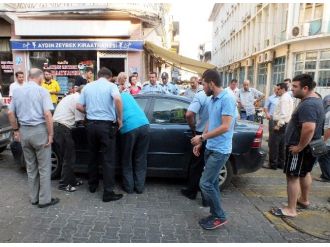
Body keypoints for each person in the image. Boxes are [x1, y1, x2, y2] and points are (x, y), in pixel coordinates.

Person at [271, 74, 325, 218]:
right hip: (311, 145)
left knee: (292, 176)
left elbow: (309, 128)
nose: (291, 89)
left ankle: (291, 209)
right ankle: (304, 200)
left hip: (300, 148)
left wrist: (299, 147)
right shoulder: (316, 99)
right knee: (304, 173)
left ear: (305, 88)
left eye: (295, 86)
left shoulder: (308, 104)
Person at [191, 69, 236, 230]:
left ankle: (220, 216)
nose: (202, 87)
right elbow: (211, 121)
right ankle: (215, 214)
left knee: (205, 183)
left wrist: (202, 137)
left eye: (203, 84)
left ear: (211, 83)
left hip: (220, 150)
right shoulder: (212, 100)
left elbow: (225, 126)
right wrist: (201, 142)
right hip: (210, 147)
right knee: (213, 183)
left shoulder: (227, 99)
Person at [8, 68, 59, 208]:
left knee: (31, 168)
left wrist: (16, 130)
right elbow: (47, 114)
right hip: (39, 131)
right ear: (40, 77)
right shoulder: (42, 91)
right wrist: (51, 134)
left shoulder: (17, 91)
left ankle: (33, 198)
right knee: (44, 167)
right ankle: (44, 200)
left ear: (28, 76)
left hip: (24, 131)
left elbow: (10, 113)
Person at [76, 67, 123, 202]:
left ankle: (92, 185)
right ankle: (108, 192)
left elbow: (78, 106)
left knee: (92, 156)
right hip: (106, 126)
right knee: (108, 159)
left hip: (90, 125)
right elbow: (118, 100)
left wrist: (90, 111)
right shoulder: (111, 86)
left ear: (98, 76)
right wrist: (119, 118)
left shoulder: (88, 87)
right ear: (109, 77)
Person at [53, 85, 85, 192]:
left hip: (59, 127)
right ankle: (63, 184)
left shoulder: (72, 97)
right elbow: (81, 120)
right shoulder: (78, 100)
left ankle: (72, 180)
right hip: (63, 128)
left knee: (68, 156)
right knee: (69, 158)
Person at [181, 90, 210, 204]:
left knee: (196, 165)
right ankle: (206, 198)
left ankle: (191, 192)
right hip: (215, 134)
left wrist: (193, 128)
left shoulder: (201, 95)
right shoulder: (221, 97)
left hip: (201, 133)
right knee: (209, 168)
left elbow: (189, 114)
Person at [119, 92, 150, 194]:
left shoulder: (114, 99)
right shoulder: (127, 95)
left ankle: (129, 188)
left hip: (129, 128)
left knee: (127, 158)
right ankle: (139, 187)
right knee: (141, 158)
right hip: (145, 125)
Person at [266, 83, 293, 170]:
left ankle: (273, 164)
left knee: (274, 144)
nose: (276, 91)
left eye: (278, 89)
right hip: (285, 124)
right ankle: (281, 163)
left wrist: (278, 125)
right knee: (282, 145)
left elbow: (283, 114)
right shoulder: (288, 97)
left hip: (280, 123)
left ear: (283, 89)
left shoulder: (284, 98)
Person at [263, 86, 279, 169]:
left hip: (281, 120)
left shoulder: (284, 98)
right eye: (276, 89)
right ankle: (272, 162)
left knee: (280, 141)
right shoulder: (271, 98)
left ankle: (279, 162)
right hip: (273, 119)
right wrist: (267, 114)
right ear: (274, 90)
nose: (278, 91)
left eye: (279, 89)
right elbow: (265, 107)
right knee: (273, 141)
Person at [316, 94, 330, 182]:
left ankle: (326, 176)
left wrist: (324, 141)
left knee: (323, 157)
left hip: (328, 141)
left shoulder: (329, 113)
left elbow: (328, 129)